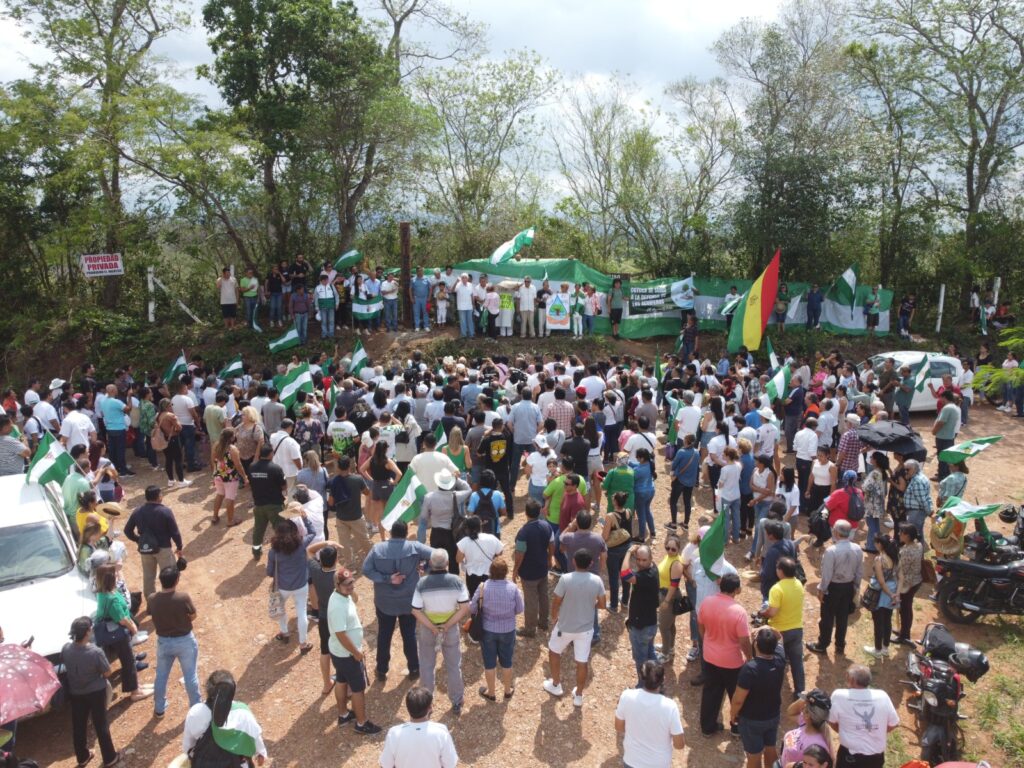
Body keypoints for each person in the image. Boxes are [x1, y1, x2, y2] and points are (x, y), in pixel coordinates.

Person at [362, 521, 433, 682]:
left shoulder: (378, 548)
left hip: (384, 601)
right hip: (409, 601)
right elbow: (439, 555)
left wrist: (387, 579)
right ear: (406, 533)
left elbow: (366, 570)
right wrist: (425, 568)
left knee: (384, 635)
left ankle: (381, 670)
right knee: (409, 635)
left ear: (391, 533)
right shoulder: (414, 547)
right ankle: (414, 668)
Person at [542, 549, 606, 707]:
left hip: (564, 626)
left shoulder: (565, 578)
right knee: (582, 662)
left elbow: (556, 601)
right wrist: (591, 606)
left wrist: (554, 616)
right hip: (585, 629)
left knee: (554, 651)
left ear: (574, 562)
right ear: (591, 563)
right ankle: (578, 696)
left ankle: (556, 684)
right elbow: (603, 605)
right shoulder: (597, 580)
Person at [410, 548, 470, 715]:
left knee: (427, 667)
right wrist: (447, 625)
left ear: (430, 564)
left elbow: (415, 610)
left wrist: (432, 627)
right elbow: (465, 607)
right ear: (447, 564)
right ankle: (457, 702)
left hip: (428, 631)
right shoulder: (457, 581)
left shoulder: (422, 583)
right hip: (449, 631)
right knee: (453, 666)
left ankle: (426, 706)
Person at [326, 567, 382, 735]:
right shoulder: (337, 605)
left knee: (342, 681)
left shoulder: (343, 595)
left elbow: (354, 599)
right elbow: (341, 634)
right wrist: (356, 653)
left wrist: (351, 591)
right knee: (358, 688)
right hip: (347, 654)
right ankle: (361, 723)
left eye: (352, 582)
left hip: (340, 653)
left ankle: (343, 714)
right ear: (337, 584)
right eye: (348, 583)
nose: (351, 585)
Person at [697, 571, 752, 735]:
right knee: (735, 695)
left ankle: (707, 727)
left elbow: (700, 625)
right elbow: (744, 641)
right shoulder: (738, 612)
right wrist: (749, 657)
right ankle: (736, 727)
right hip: (732, 662)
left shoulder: (707, 602)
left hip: (709, 656)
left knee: (710, 692)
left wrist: (707, 640)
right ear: (736, 590)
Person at [63, 616, 121, 768]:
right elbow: (108, 672)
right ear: (88, 632)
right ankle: (109, 758)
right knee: (100, 724)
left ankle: (82, 757)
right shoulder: (95, 652)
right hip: (95, 692)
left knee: (79, 725)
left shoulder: (66, 649)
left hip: (76, 693)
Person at [92, 565, 152, 703]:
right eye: (114, 574)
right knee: (129, 661)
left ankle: (137, 686)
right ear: (110, 579)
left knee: (128, 659)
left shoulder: (104, 592)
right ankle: (135, 691)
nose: (117, 576)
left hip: (116, 633)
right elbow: (121, 619)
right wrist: (133, 628)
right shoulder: (111, 598)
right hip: (118, 634)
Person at [183, 670, 268, 766]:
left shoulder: (195, 713)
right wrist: (261, 754)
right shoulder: (243, 713)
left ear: (208, 689)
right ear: (231, 692)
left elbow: (188, 747)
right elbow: (257, 742)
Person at [730, 627, 787, 768]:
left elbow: (738, 699)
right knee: (770, 748)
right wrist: (768, 629)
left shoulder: (750, 669)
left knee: (754, 756)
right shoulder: (780, 659)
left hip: (751, 720)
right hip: (772, 716)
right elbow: (780, 638)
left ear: (755, 645)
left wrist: (732, 715)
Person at [149, 566, 201, 718]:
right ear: (177, 580)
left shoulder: (152, 598)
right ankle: (196, 707)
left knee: (161, 676)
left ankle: (159, 708)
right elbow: (193, 615)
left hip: (164, 642)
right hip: (184, 641)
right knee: (190, 675)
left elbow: (150, 613)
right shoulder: (183, 597)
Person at [806, 520, 863, 657]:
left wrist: (822, 590)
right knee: (842, 617)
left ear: (836, 532)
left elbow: (827, 575)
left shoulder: (832, 551)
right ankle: (840, 645)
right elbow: (859, 572)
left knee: (827, 617)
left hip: (833, 587)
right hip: (848, 586)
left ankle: (822, 644)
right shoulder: (857, 548)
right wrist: (855, 587)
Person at [470, 556, 523, 702]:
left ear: (490, 572)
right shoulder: (513, 588)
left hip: (488, 629)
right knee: (507, 661)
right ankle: (507, 690)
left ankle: (491, 693)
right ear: (506, 572)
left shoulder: (483, 587)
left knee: (489, 662)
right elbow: (520, 609)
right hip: (508, 629)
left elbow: (472, 607)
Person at [614, 661, 685, 768]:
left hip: (631, 761)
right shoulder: (670, 707)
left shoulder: (626, 696)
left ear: (641, 676)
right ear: (663, 679)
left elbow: (619, 727)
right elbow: (679, 745)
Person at [124, 485, 183, 609]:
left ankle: (152, 606)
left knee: (148, 577)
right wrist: (179, 546)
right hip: (163, 549)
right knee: (169, 577)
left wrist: (138, 540)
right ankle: (168, 605)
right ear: (158, 497)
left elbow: (127, 530)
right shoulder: (165, 511)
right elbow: (175, 532)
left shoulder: (137, 511)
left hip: (146, 549)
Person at [829, 665, 899, 767]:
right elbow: (894, 723)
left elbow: (831, 721)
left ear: (852, 680)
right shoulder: (882, 696)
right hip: (875, 757)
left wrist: (847, 731)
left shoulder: (839, 695)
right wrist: (875, 732)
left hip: (849, 756)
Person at [267, 518, 316, 653]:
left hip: (283, 587)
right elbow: (312, 533)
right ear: (295, 532)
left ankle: (284, 632)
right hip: (301, 585)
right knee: (302, 613)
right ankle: (303, 643)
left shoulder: (273, 552)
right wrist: (305, 518)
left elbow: (269, 572)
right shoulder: (301, 545)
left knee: (281, 609)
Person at [379, 686, 459, 768]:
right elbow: (450, 764)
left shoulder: (394, 733)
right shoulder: (441, 732)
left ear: (408, 708)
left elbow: (386, 764)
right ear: (430, 708)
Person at [761, 556, 805, 695]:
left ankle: (772, 691)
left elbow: (772, 612)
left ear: (781, 571)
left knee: (774, 662)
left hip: (779, 631)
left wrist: (763, 613)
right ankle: (799, 692)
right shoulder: (798, 584)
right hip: (797, 629)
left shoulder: (777, 588)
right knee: (797, 663)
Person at [512, 498, 555, 638]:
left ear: (526, 513)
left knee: (530, 600)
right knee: (543, 596)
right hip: (543, 567)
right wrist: (550, 558)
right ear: (538, 512)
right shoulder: (546, 526)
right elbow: (552, 544)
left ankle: (530, 629)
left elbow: (520, 553)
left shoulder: (524, 532)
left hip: (528, 571)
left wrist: (515, 570)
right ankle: (543, 622)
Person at [620, 544, 660, 679]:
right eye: (638, 559)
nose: (640, 563)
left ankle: (643, 686)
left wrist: (629, 552)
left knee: (641, 661)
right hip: (651, 623)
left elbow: (625, 574)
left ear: (650, 559)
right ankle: (657, 681)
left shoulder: (646, 576)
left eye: (644, 560)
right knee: (650, 654)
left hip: (641, 627)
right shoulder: (653, 567)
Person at [248, 443, 287, 561]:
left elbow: (250, 483)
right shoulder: (275, 468)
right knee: (280, 530)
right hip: (274, 505)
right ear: (271, 454)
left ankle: (256, 551)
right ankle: (282, 553)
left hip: (258, 504)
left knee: (259, 529)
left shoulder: (252, 467)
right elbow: (284, 486)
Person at [361, 440, 403, 541]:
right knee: (389, 513)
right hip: (386, 487)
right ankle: (393, 536)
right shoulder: (387, 461)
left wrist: (371, 479)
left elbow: (362, 469)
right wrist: (394, 482)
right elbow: (399, 474)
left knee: (380, 515)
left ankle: (383, 538)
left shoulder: (371, 459)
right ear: (385, 449)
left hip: (376, 487)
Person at [780, 692, 833, 767]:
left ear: (808, 715)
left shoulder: (816, 746)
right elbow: (790, 712)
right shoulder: (805, 722)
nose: (801, 708)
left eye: (804, 706)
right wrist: (804, 698)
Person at [456, 515, 503, 597]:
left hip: (472, 575)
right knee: (489, 597)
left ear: (467, 528)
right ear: (480, 526)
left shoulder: (464, 542)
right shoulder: (491, 538)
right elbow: (500, 553)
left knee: (474, 598)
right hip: (489, 573)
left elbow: (458, 559)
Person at [655, 535, 685, 664]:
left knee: (663, 626)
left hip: (669, 596)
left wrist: (666, 601)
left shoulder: (676, 563)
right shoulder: (670, 557)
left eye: (673, 549)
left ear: (678, 548)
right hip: (664, 593)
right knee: (670, 624)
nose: (670, 551)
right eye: (667, 548)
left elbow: (674, 585)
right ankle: (670, 648)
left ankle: (665, 653)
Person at [895, 522, 924, 646]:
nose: (898, 534)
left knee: (905, 610)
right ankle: (903, 631)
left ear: (907, 536)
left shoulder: (907, 552)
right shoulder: (918, 545)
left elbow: (901, 571)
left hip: (907, 584)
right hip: (916, 580)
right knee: (906, 608)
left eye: (901, 532)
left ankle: (904, 635)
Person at [211, 428, 247, 527]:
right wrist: (244, 477)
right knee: (230, 498)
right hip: (230, 478)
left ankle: (215, 516)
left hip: (218, 476)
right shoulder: (232, 449)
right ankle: (230, 520)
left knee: (220, 494)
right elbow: (238, 465)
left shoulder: (216, 446)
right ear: (231, 437)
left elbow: (213, 461)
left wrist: (213, 474)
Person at [669, 434, 700, 529]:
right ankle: (686, 524)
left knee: (673, 501)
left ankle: (674, 524)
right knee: (687, 502)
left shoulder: (681, 452)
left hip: (680, 480)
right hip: (690, 482)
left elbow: (673, 465)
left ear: (686, 441)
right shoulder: (696, 452)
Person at [932, 390, 961, 480]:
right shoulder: (955, 407)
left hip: (943, 437)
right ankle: (945, 474)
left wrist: (934, 431)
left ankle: (942, 476)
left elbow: (941, 422)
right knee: (946, 457)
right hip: (949, 436)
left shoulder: (947, 408)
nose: (940, 400)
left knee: (942, 457)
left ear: (944, 397)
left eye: (940, 397)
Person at [902, 459, 933, 542]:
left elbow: (922, 500)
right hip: (917, 512)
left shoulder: (917, 481)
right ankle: (919, 553)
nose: (905, 472)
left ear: (914, 469)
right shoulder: (919, 477)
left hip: (916, 513)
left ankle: (916, 554)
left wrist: (929, 512)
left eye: (907, 469)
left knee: (912, 537)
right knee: (918, 534)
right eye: (904, 469)